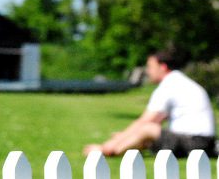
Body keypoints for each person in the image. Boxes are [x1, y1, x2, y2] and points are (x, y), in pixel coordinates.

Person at [83, 48, 216, 158]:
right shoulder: (179, 81)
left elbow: (145, 122)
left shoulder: (169, 85)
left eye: (150, 67)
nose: (148, 71)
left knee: (147, 129)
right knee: (143, 133)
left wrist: (110, 144)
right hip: (202, 141)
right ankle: (119, 146)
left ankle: (109, 151)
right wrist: (124, 137)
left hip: (194, 142)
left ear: (163, 67)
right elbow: (158, 119)